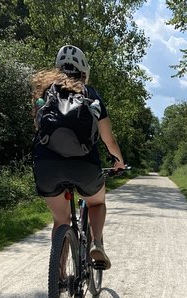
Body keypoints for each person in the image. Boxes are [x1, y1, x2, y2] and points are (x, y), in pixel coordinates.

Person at [32, 45, 125, 269]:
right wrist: (118, 161)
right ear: (84, 71)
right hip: (84, 166)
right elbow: (108, 140)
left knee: (60, 220)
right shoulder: (91, 95)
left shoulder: (45, 94)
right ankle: (97, 243)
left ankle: (59, 273)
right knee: (97, 202)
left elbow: (39, 129)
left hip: (47, 166)